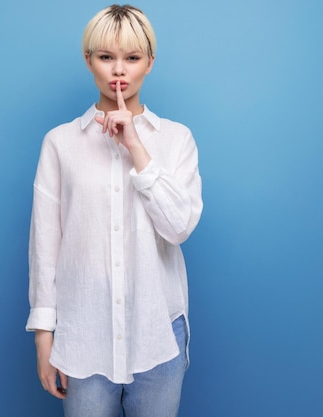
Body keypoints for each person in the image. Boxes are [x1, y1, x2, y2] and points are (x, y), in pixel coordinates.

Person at [25, 4, 203, 417]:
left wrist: (135, 147)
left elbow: (179, 227)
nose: (118, 70)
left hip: (158, 333)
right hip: (83, 333)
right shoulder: (60, 143)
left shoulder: (176, 140)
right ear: (89, 61)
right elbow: (45, 245)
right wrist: (43, 337)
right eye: (106, 57)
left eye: (132, 58)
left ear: (150, 63)